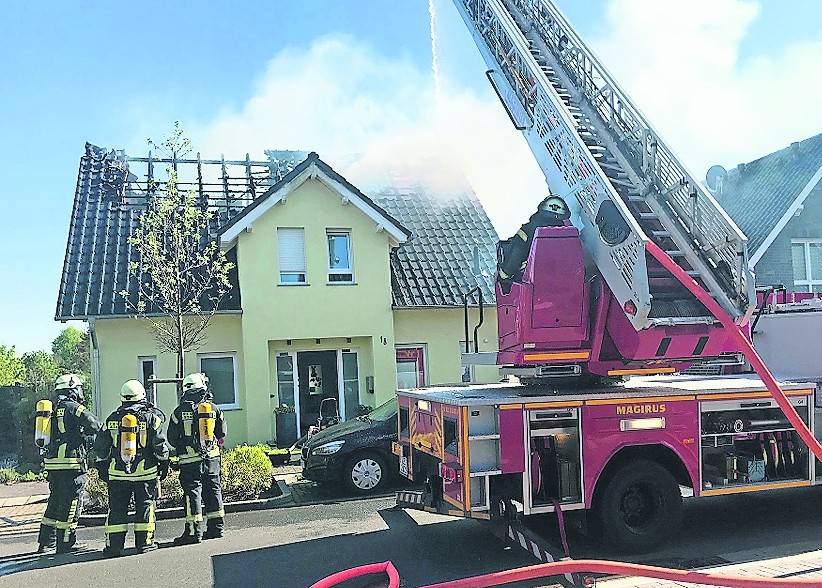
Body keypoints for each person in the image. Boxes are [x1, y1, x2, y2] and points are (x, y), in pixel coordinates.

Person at [94, 380, 169, 557]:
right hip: (145, 472)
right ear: (142, 395)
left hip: (118, 474)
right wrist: (164, 464)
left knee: (117, 508)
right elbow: (160, 446)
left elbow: (101, 447)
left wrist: (102, 467)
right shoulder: (152, 418)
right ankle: (144, 543)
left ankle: (114, 546)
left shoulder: (112, 419)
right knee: (145, 505)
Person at [37, 374, 102, 554]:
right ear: (72, 390)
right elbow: (94, 424)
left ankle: (45, 542)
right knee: (71, 502)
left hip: (53, 464)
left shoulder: (53, 409)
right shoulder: (74, 408)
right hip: (71, 463)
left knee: (55, 501)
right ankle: (65, 543)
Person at [167, 373, 227, 545]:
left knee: (193, 493)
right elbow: (222, 433)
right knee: (213, 490)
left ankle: (194, 533)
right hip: (211, 459)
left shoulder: (178, 413)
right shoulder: (214, 409)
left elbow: (171, 438)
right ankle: (217, 528)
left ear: (185, 389)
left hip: (189, 461)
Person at [497, 195, 571, 292]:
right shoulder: (568, 236)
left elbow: (515, 256)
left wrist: (504, 276)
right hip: (561, 287)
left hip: (530, 286)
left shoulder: (527, 230)